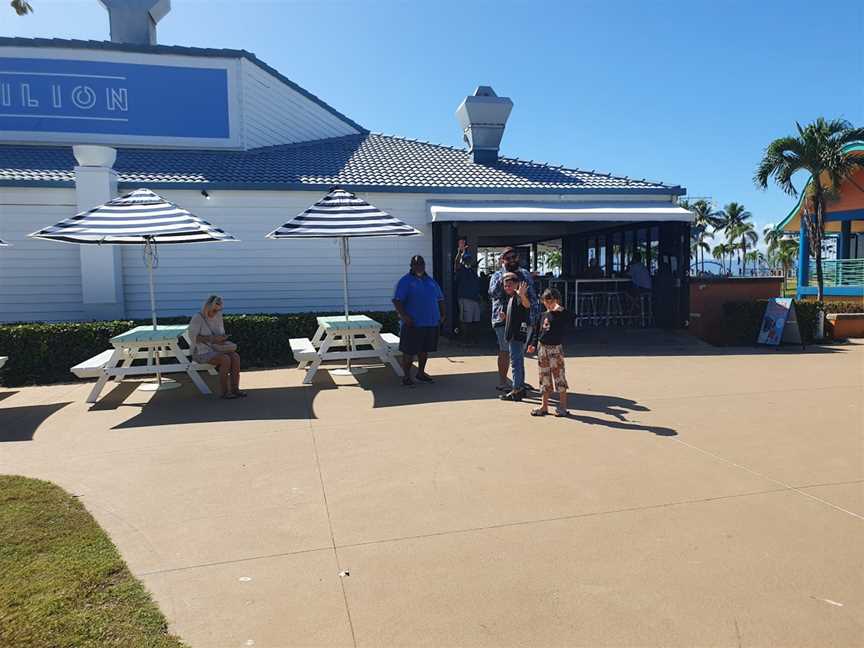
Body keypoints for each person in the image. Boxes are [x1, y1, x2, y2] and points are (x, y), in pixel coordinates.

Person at [489, 247, 539, 392]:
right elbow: (493, 293)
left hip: (525, 318)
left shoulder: (524, 273)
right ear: (502, 260)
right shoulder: (497, 275)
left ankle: (519, 382)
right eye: (508, 258)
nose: (511, 260)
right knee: (505, 350)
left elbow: (532, 294)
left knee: (519, 352)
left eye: (514, 257)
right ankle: (504, 382)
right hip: (503, 319)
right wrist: (505, 277)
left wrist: (535, 317)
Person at [393, 255, 445, 386]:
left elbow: (440, 299)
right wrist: (404, 316)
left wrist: (443, 314)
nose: (419, 266)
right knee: (408, 351)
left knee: (424, 350)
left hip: (430, 322)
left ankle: (421, 373)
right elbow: (397, 300)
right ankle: (406, 376)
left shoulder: (431, 281)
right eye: (416, 264)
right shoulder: (405, 281)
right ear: (411, 266)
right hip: (413, 323)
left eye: (421, 264)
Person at [187, 294, 246, 399]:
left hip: (215, 348)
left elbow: (220, 333)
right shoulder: (198, 317)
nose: (216, 313)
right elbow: (194, 338)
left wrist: (222, 338)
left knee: (235, 357)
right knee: (225, 359)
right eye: (214, 310)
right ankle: (224, 392)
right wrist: (212, 339)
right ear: (208, 307)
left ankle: (235, 389)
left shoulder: (218, 316)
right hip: (200, 352)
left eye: (219, 310)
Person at [527, 288, 570, 417]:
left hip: (555, 349)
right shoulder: (542, 315)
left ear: (557, 301)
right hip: (542, 348)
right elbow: (537, 332)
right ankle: (544, 406)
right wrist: (532, 344)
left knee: (559, 376)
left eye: (550, 301)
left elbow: (572, 317)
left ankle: (563, 407)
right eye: (545, 301)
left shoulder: (561, 315)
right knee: (544, 377)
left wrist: (560, 309)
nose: (548, 304)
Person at [498, 274, 532, 402]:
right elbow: (515, 317)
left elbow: (527, 305)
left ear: (517, 284)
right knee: (518, 361)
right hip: (513, 334)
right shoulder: (512, 298)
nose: (507, 287)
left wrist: (522, 295)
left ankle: (517, 389)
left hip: (517, 334)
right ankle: (520, 387)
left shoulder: (519, 297)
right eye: (505, 285)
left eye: (510, 284)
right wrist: (504, 317)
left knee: (516, 362)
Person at [453, 239, 482, 345]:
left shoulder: (472, 272)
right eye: (466, 259)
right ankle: (464, 340)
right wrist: (460, 252)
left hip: (475, 299)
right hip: (465, 298)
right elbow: (456, 264)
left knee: (475, 321)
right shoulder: (461, 271)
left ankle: (473, 340)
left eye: (469, 259)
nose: (468, 261)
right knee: (466, 321)